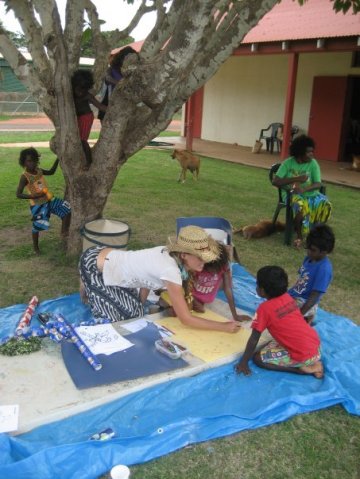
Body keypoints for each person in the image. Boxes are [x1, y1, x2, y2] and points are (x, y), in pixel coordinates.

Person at [79, 225, 242, 333]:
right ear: (184, 255)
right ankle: (87, 282)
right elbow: (186, 319)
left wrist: (139, 305)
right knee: (117, 325)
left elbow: (145, 278)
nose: (203, 262)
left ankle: (90, 287)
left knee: (135, 314)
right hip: (94, 265)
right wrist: (224, 326)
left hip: (107, 258)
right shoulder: (171, 271)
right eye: (200, 258)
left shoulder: (171, 255)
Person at [235, 265, 323, 379]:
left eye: (257, 284)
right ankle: (311, 363)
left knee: (258, 358)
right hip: (316, 346)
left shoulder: (264, 309)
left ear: (261, 290)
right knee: (273, 342)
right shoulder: (288, 297)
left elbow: (254, 338)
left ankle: (302, 370)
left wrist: (243, 362)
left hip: (304, 356)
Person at [272, 134, 332, 248]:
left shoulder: (313, 163)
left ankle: (315, 235)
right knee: (300, 207)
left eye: (312, 151)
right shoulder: (288, 163)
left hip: (311, 194)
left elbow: (318, 183)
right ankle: (299, 237)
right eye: (308, 152)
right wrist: (297, 179)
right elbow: (275, 181)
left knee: (325, 205)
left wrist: (304, 189)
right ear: (300, 152)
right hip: (291, 194)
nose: (311, 154)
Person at [16, 147, 71, 255]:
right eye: (29, 161)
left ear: (37, 160)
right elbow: (18, 194)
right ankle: (36, 248)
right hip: (38, 205)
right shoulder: (25, 177)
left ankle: (63, 235)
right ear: (24, 162)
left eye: (34, 160)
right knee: (37, 226)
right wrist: (33, 196)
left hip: (49, 199)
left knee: (67, 209)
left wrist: (58, 158)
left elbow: (51, 172)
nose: (32, 163)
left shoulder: (39, 171)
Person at [288, 224, 335, 325]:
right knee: (272, 311)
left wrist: (299, 315)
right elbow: (301, 280)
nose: (308, 252)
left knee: (282, 321)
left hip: (305, 303)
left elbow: (314, 297)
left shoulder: (324, 270)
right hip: (295, 297)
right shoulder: (309, 258)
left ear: (325, 252)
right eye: (307, 247)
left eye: (312, 250)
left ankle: (305, 321)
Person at [192, 242, 244, 321]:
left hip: (206, 299)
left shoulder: (223, 266)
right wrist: (193, 300)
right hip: (192, 296)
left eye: (217, 270)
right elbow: (185, 285)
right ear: (205, 263)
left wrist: (235, 315)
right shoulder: (198, 267)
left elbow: (228, 289)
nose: (214, 273)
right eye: (212, 270)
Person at [71, 69, 107, 166]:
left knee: (83, 140)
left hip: (86, 117)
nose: (81, 93)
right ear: (75, 86)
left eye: (84, 90)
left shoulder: (87, 95)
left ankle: (89, 161)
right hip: (76, 118)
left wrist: (113, 110)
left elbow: (100, 106)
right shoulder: (69, 93)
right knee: (75, 139)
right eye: (79, 89)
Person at [98, 46, 138, 122]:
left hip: (125, 107)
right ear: (122, 58)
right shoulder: (111, 70)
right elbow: (108, 79)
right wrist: (121, 84)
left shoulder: (132, 72)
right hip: (109, 105)